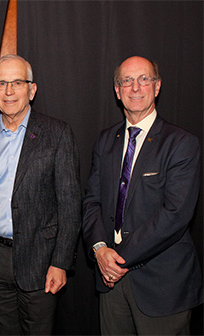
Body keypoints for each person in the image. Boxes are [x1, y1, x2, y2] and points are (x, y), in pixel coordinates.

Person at [0, 54, 82, 335]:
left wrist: (60, 262)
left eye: (17, 82)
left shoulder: (58, 133)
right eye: (1, 83)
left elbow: (69, 204)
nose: (9, 91)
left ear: (32, 89)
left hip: (41, 262)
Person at [82, 56, 203, 335]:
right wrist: (100, 250)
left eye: (143, 79)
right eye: (126, 80)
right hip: (111, 282)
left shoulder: (181, 143)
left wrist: (116, 259)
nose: (135, 87)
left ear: (157, 86)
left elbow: (175, 215)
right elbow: (91, 201)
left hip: (162, 285)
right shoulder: (105, 140)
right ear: (117, 90)